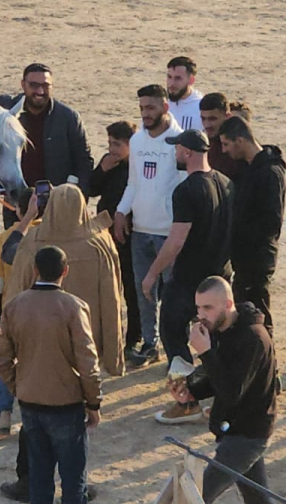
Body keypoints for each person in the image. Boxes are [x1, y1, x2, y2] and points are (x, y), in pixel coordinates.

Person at [0, 184, 124, 502]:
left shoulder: (34, 242)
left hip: (33, 369)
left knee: (35, 450)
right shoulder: (100, 243)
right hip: (74, 374)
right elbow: (113, 299)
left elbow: (12, 303)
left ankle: (27, 482)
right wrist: (108, 365)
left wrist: (17, 385)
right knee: (73, 463)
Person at [0, 246, 103, 504]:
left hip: (30, 402)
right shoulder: (74, 307)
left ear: (35, 270)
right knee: (73, 479)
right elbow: (88, 363)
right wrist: (93, 403)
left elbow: (2, 358)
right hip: (66, 404)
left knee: (39, 478)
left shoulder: (14, 306)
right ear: (65, 271)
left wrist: (18, 387)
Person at [143, 129, 233, 424]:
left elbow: (176, 240)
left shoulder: (187, 190)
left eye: (177, 149)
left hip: (188, 280)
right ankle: (222, 399)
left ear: (188, 152)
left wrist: (152, 273)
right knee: (218, 340)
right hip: (219, 278)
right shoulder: (225, 183)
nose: (175, 153)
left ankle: (186, 402)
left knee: (174, 338)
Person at [0, 63, 93, 226]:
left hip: (54, 206)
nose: (40, 91)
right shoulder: (5, 109)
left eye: (45, 85)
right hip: (17, 203)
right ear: (23, 85)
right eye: (34, 85)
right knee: (15, 241)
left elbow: (84, 162)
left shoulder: (68, 118)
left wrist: (77, 203)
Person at [170, 277, 277, 503]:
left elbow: (231, 392)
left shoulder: (253, 338)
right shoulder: (222, 329)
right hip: (236, 429)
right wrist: (192, 392)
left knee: (195, 497)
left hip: (247, 435)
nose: (201, 315)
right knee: (257, 499)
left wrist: (206, 353)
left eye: (208, 308)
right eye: (198, 307)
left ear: (228, 305)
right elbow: (221, 377)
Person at [113, 85, 184, 368]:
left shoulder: (179, 141)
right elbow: (134, 182)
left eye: (151, 107)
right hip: (141, 229)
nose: (145, 113)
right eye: (142, 108)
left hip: (169, 233)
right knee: (144, 291)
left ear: (165, 108)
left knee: (173, 295)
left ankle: (174, 346)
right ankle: (150, 343)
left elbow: (183, 187)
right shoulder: (138, 140)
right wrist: (121, 211)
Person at [217, 116, 286, 335]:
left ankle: (266, 353)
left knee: (258, 317)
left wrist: (241, 236)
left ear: (240, 141)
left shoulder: (268, 173)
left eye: (226, 144)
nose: (224, 150)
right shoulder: (248, 169)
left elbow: (271, 222)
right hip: (244, 258)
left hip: (256, 259)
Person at [0, 186, 38, 439]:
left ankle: (4, 415)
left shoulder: (5, 238)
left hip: (13, 310)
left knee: (7, 360)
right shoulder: (55, 236)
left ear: (18, 210)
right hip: (48, 312)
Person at [89, 121, 141, 354]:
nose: (112, 149)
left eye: (117, 144)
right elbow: (91, 189)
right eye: (110, 143)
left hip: (130, 234)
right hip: (104, 232)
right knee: (107, 288)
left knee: (131, 288)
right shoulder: (109, 162)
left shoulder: (138, 165)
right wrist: (102, 170)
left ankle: (133, 337)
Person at [200, 93, 245, 181]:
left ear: (227, 116)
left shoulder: (239, 144)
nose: (207, 124)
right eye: (203, 119)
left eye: (212, 119)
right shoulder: (204, 143)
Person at [167, 56, 204, 131]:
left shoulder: (200, 108)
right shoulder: (161, 102)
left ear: (191, 80)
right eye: (169, 77)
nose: (172, 83)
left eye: (178, 78)